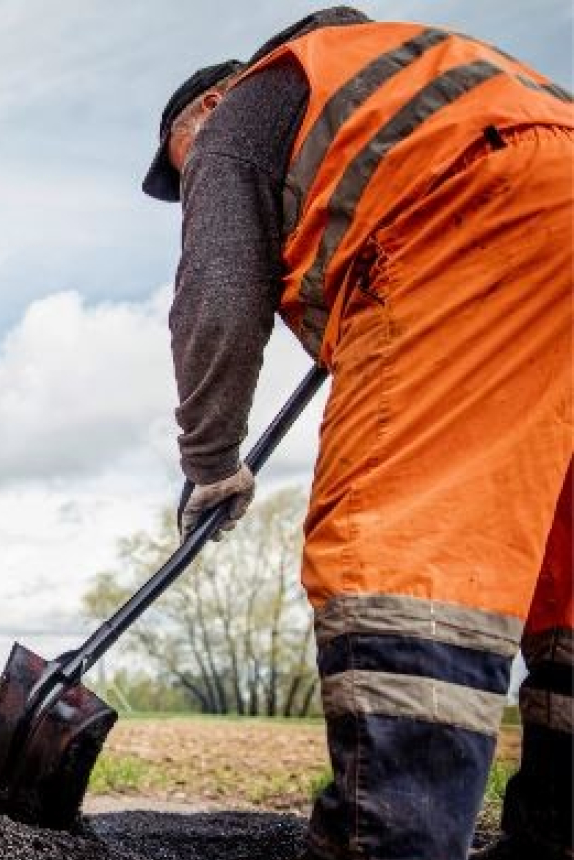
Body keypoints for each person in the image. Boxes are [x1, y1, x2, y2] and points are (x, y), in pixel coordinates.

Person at [145, 7, 572, 860]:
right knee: (564, 558)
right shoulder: (396, 71)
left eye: (180, 172)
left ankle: (390, 839)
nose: (191, 188)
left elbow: (217, 307)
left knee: (402, 547)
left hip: (463, 223)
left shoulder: (241, 113)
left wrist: (211, 464)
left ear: (202, 112)